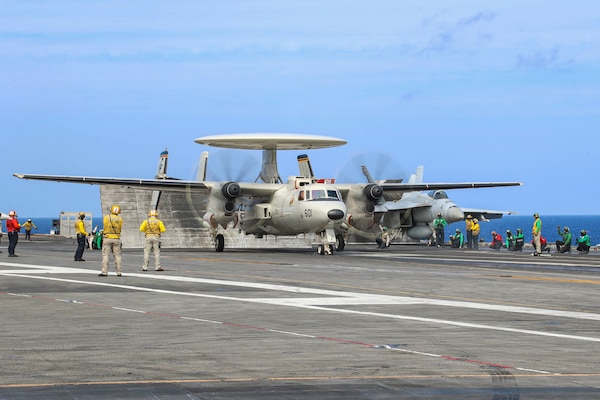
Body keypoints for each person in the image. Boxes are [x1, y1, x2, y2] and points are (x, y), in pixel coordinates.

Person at [99, 205, 123, 277]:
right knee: (117, 255)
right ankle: (119, 272)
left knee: (106, 255)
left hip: (107, 237)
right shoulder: (120, 219)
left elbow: (104, 225)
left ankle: (104, 272)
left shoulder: (107, 217)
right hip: (116, 238)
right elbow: (120, 227)